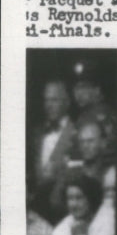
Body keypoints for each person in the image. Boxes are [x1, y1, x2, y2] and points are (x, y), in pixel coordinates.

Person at [31, 79, 77, 222]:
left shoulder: (76, 133)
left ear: (67, 102)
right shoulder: (37, 134)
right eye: (46, 100)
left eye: (54, 100)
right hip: (37, 215)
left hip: (65, 215)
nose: (49, 105)